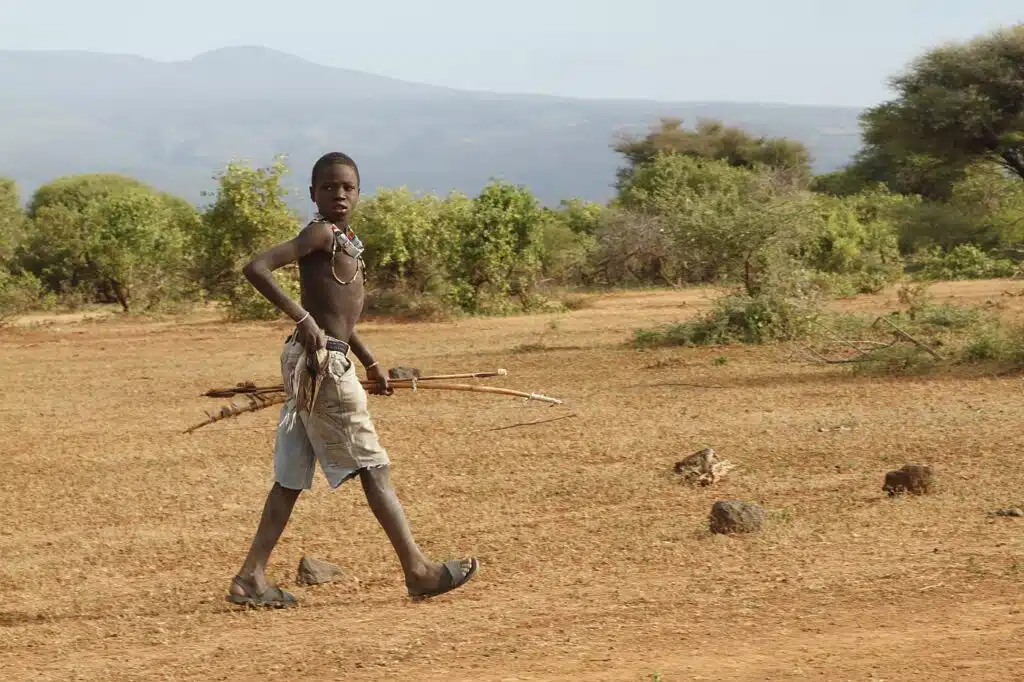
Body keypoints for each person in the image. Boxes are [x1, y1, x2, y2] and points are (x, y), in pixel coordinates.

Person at [226, 152, 478, 608]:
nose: (339, 194)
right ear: (313, 193)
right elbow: (256, 268)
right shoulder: (320, 233)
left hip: (323, 359)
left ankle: (251, 577)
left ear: (359, 193)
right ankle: (419, 571)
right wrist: (301, 317)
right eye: (328, 187)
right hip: (320, 364)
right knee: (373, 466)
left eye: (347, 187)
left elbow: (337, 316)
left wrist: (369, 360)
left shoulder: (346, 242)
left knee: (289, 477)